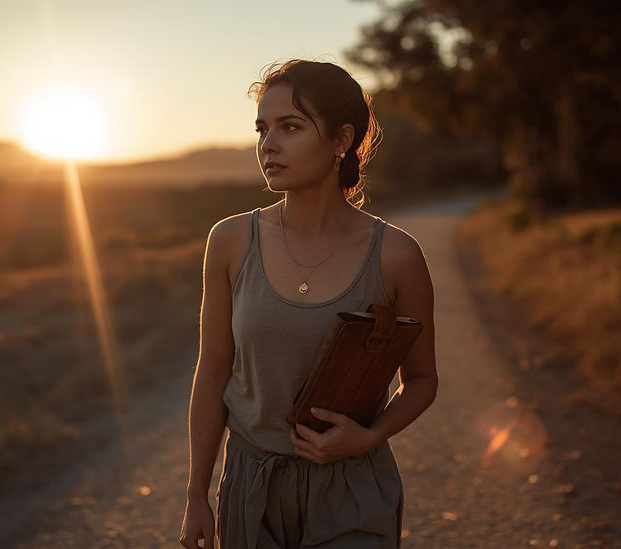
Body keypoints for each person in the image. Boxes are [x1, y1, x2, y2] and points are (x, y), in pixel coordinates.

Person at [180, 59, 437, 549]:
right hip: (252, 487)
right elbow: (212, 371)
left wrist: (369, 437)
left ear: (341, 140)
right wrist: (197, 495)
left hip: (353, 489)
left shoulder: (397, 255)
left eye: (290, 127)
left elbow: (422, 379)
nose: (268, 145)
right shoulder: (231, 241)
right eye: (262, 129)